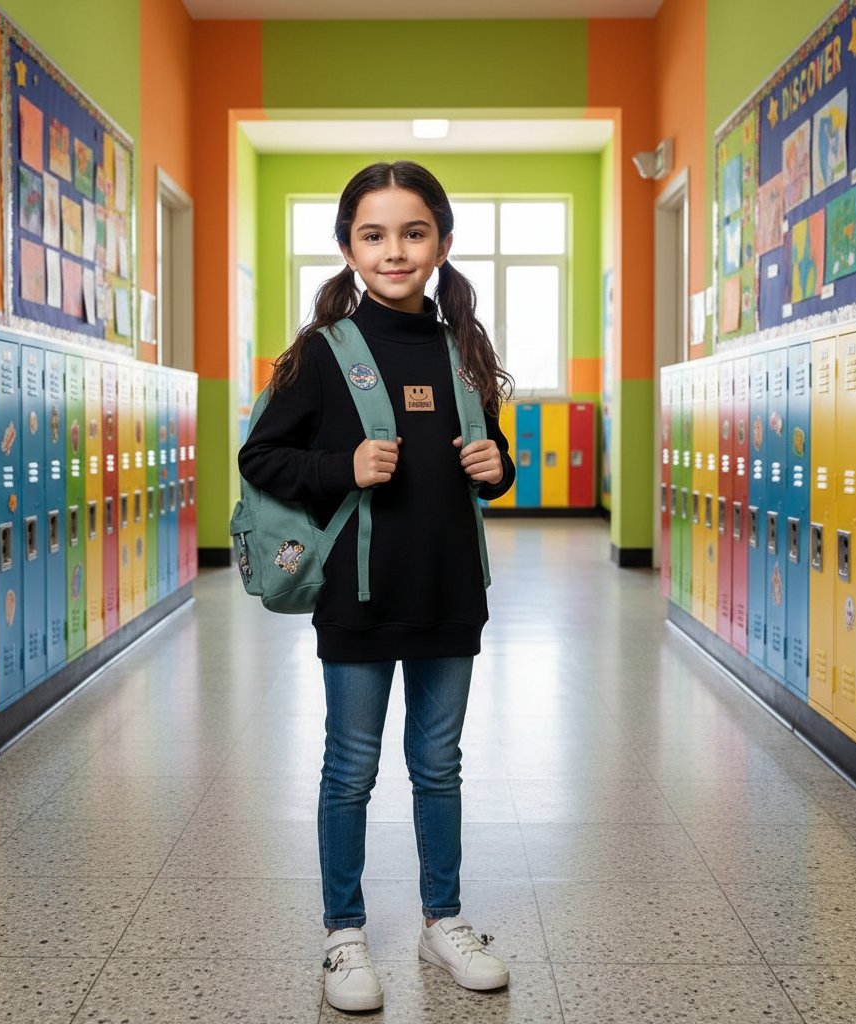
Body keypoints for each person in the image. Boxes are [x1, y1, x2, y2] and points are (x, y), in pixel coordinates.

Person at [239, 160, 516, 1013]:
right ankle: (344, 934)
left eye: (413, 232)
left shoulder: (462, 348)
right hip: (357, 597)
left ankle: (444, 919)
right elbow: (261, 457)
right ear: (348, 248)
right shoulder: (322, 354)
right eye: (374, 234)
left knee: (439, 766)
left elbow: (491, 458)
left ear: (442, 242)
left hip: (449, 591)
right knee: (351, 767)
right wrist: (341, 466)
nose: (394, 250)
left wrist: (499, 467)